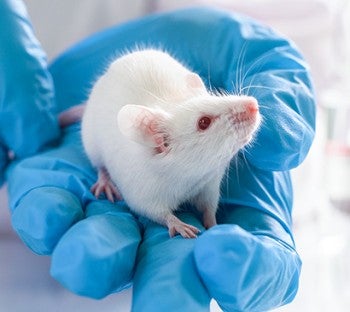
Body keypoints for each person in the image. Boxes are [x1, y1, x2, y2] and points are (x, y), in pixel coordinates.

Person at [0, 0, 316, 311]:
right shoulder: (148, 163)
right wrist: (169, 218)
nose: (248, 105)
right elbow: (143, 199)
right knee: (95, 151)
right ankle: (102, 171)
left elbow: (209, 183)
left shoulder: (198, 148)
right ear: (159, 143)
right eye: (205, 123)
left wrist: (209, 215)